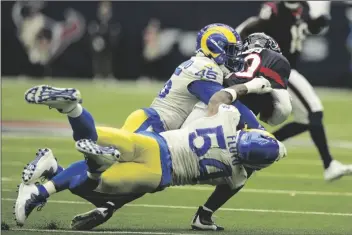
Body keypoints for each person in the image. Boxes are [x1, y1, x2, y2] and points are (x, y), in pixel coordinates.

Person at [14, 75, 282, 228]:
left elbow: (219, 97)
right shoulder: (237, 177)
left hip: (155, 142)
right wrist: (206, 216)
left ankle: (73, 110)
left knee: (94, 134)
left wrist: (251, 86)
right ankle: (88, 167)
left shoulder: (226, 118)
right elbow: (226, 190)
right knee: (99, 185)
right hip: (158, 173)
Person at [236, 1, 352, 182]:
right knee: (313, 111)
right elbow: (254, 26)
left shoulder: (303, 7)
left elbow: (306, 28)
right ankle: (329, 165)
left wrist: (318, 23)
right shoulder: (274, 9)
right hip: (278, 67)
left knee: (308, 119)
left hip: (288, 67)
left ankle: (257, 147)